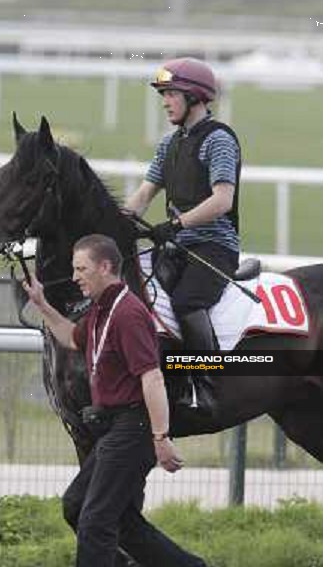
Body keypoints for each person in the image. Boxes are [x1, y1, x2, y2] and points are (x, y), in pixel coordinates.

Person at [22, 233, 206, 567]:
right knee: (79, 507)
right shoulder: (101, 312)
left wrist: (161, 438)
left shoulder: (129, 313)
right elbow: (71, 338)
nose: (75, 276)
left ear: (105, 267)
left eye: (82, 268)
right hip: (115, 428)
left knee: (95, 521)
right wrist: (41, 304)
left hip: (133, 429)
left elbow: (152, 377)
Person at [125, 57, 242, 352]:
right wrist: (113, 224)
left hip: (214, 248)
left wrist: (176, 224)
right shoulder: (168, 144)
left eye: (171, 94)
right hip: (177, 248)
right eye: (163, 95)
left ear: (195, 97)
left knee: (187, 302)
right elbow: (142, 196)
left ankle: (206, 378)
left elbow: (222, 200)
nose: (165, 102)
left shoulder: (219, 140)